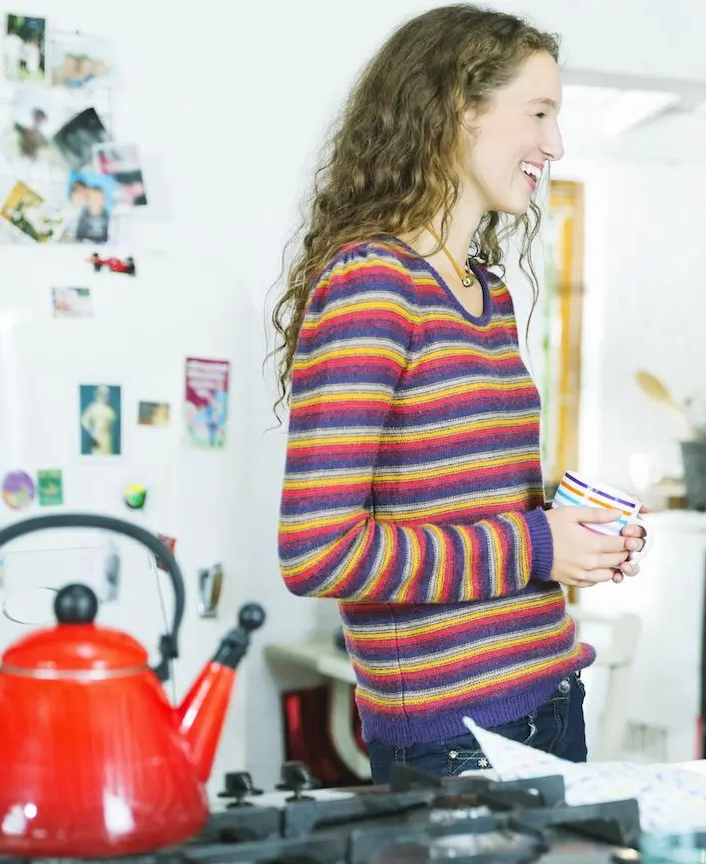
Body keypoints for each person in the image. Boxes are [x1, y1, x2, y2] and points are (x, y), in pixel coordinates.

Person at [272, 4, 646, 783]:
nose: (556, 143)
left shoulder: (484, 293)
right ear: (458, 109)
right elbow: (319, 553)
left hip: (550, 696)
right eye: (538, 113)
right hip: (457, 738)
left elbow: (455, 499)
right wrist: (539, 544)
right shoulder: (374, 285)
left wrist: (573, 531)